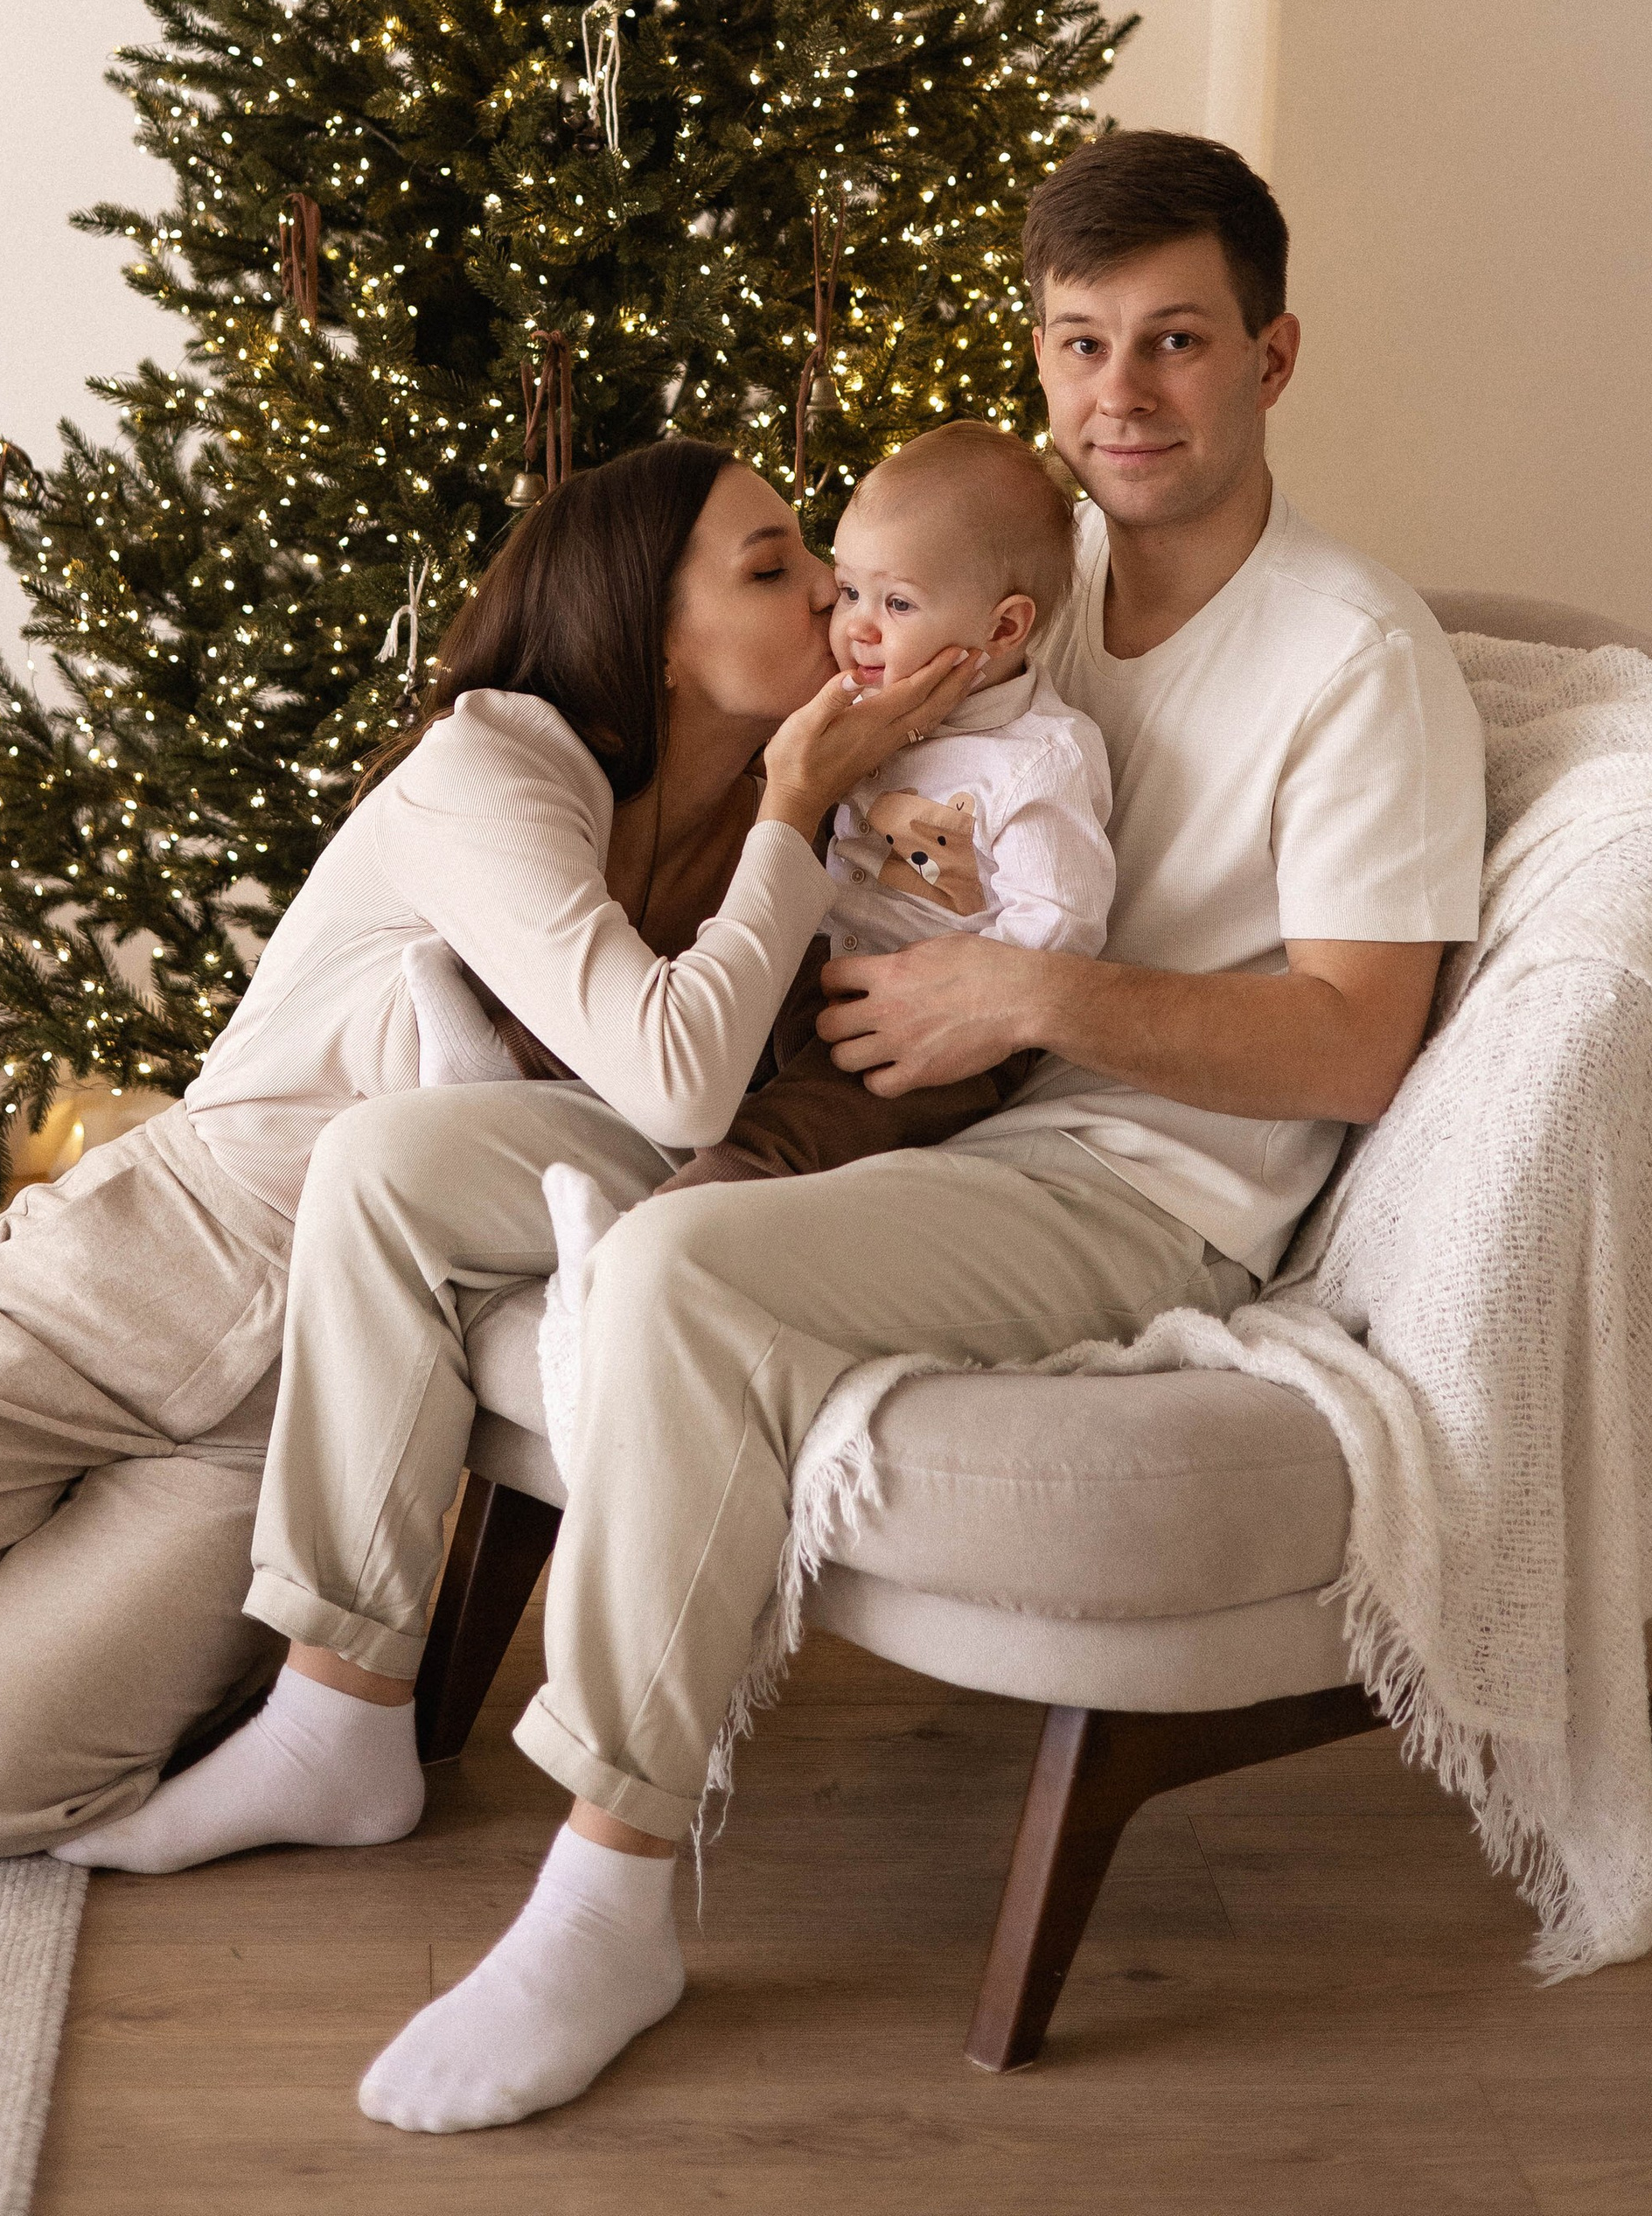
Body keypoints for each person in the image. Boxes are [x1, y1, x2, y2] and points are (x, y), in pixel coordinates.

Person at [86, 128, 1481, 2142]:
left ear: (1268, 358)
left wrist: (1027, 999)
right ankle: (339, 1703)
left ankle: (617, 1871)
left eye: (1172, 342)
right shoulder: (1015, 579)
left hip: (1130, 1178)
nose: (1120, 393)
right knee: (391, 1167)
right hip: (892, 1114)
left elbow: (1355, 1045)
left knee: (669, 1254)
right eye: (1081, 343)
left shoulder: (1355, 657)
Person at [0, 440, 964, 1866]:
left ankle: (65, 1647)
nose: (833, 589)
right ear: (648, 631)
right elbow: (675, 1078)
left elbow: (808, 1081)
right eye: (775, 567)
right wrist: (784, 804)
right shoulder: (492, 764)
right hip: (109, 1290)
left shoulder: (810, 857)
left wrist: (801, 828)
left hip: (284, 1418)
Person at [410, 418, 1113, 1215]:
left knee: (779, 1129)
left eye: (896, 600)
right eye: (841, 586)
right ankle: (505, 1066)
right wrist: (797, 794)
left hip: (919, 1028)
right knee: (698, 1013)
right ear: (655, 643)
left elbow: (1057, 924)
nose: (839, 611)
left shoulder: (1032, 757)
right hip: (821, 988)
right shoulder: (498, 769)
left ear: (1004, 627)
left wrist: (983, 1005)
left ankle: (644, 1243)